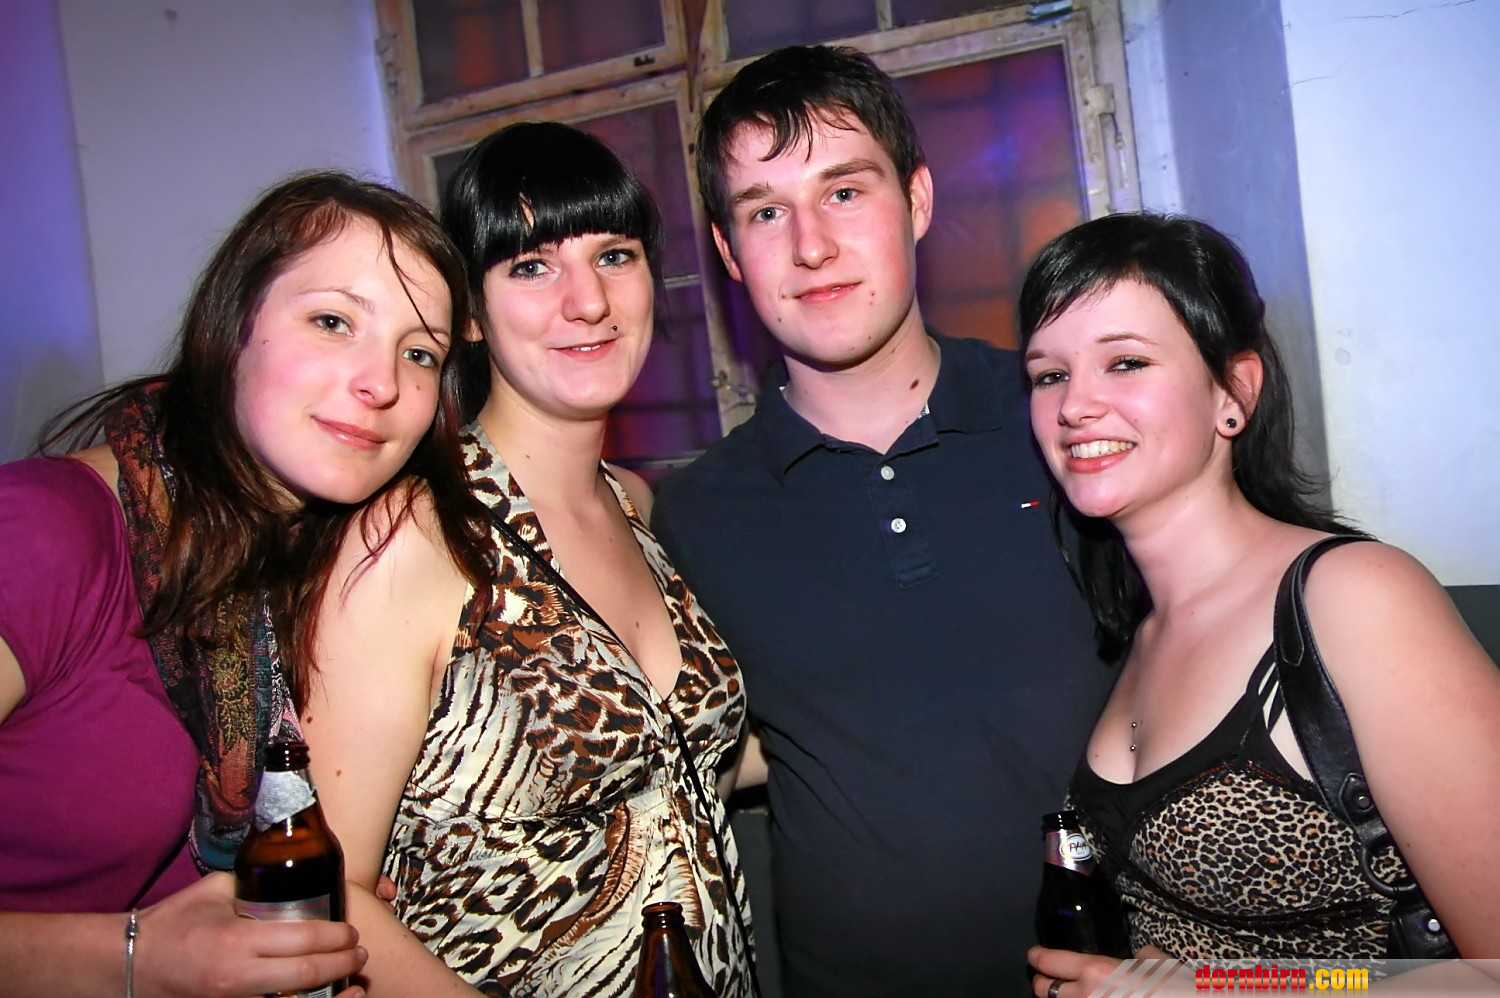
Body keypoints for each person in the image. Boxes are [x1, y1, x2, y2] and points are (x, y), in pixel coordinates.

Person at [650, 44, 1114, 996]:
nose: (811, 245)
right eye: (766, 212)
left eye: (845, 191)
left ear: (917, 200)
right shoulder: (695, 516)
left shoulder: (1064, 424)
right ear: (729, 253)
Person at [0, 170, 488, 996]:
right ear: (233, 327)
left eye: (419, 353)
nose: (381, 382)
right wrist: (134, 957)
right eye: (332, 321)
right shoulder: (41, 534)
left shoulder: (297, 570)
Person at [302, 121, 754, 997]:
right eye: (532, 266)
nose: (588, 301)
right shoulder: (412, 536)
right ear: (469, 313)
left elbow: (678, 760)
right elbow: (327, 888)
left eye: (614, 256)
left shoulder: (634, 504)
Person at [1016, 212, 1500, 996]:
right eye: (1048, 375)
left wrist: (1220, 991)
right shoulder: (1136, 630)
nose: (1075, 405)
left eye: (1126, 362)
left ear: (1234, 392)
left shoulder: (1352, 600)